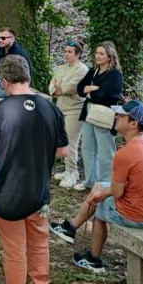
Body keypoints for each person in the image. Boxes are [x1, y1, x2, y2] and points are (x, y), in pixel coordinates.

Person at [0, 55, 69, 284]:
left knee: (15, 250)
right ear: (28, 77)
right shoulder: (51, 109)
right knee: (39, 242)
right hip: (39, 190)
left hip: (8, 192)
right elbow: (63, 151)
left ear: (5, 82)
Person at [50, 100, 143, 274]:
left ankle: (94, 259)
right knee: (99, 186)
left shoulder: (126, 153)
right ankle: (71, 227)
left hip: (140, 216)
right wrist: (101, 191)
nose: (116, 117)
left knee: (101, 206)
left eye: (121, 116)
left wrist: (100, 195)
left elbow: (116, 191)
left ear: (133, 124)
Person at [73, 41, 124, 191]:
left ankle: (105, 183)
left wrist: (91, 92)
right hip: (89, 113)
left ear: (110, 56)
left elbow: (108, 95)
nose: (97, 56)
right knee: (88, 148)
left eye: (101, 53)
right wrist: (92, 90)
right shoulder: (93, 71)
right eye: (96, 53)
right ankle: (90, 181)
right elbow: (80, 88)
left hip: (104, 115)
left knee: (105, 152)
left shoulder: (115, 74)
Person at [49, 41, 89, 189]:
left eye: (70, 52)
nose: (66, 54)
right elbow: (53, 85)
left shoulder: (82, 69)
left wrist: (61, 88)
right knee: (62, 139)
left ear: (78, 54)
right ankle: (67, 169)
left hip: (75, 109)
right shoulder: (60, 68)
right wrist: (57, 89)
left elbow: (72, 87)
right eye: (65, 51)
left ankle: (73, 172)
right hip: (61, 108)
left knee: (71, 141)